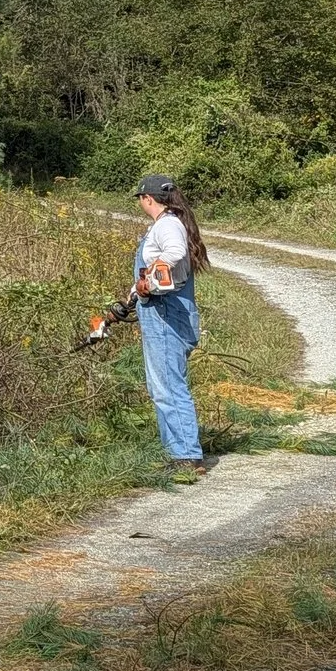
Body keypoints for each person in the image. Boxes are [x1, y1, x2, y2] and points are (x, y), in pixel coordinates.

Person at [131, 172, 212, 481]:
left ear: (147, 199)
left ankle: (185, 457)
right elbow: (150, 278)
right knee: (162, 386)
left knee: (168, 388)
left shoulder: (167, 225)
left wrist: (151, 281)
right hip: (169, 311)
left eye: (140, 199)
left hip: (165, 315)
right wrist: (127, 302)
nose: (140, 203)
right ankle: (179, 451)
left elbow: (174, 255)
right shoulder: (173, 222)